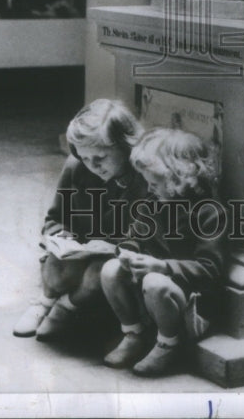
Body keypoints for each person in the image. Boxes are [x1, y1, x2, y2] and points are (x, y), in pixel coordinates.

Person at [12, 99, 146, 339]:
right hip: (79, 249)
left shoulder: (142, 179)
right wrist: (61, 236)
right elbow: (55, 217)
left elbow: (146, 235)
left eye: (100, 158)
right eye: (84, 157)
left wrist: (116, 248)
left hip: (115, 256)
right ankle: (44, 302)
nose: (92, 165)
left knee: (96, 275)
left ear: (126, 147)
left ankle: (65, 306)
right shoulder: (77, 166)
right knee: (56, 263)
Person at [100, 128, 225, 377]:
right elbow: (134, 237)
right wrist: (127, 251)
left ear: (178, 179)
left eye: (154, 183)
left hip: (191, 303)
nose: (149, 188)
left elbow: (211, 270)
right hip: (150, 295)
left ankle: (169, 344)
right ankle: (133, 333)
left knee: (156, 282)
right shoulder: (154, 203)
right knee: (110, 269)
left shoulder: (209, 212)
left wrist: (162, 267)